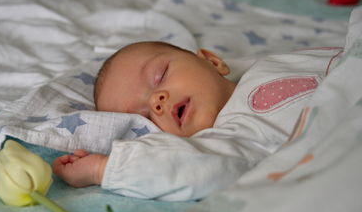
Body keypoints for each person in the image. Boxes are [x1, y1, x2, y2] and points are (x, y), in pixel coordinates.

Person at [52, 41, 342, 201]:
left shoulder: (274, 62)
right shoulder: (228, 139)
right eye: (144, 116)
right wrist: (104, 169)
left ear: (212, 61)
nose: (157, 100)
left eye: (160, 76)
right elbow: (193, 168)